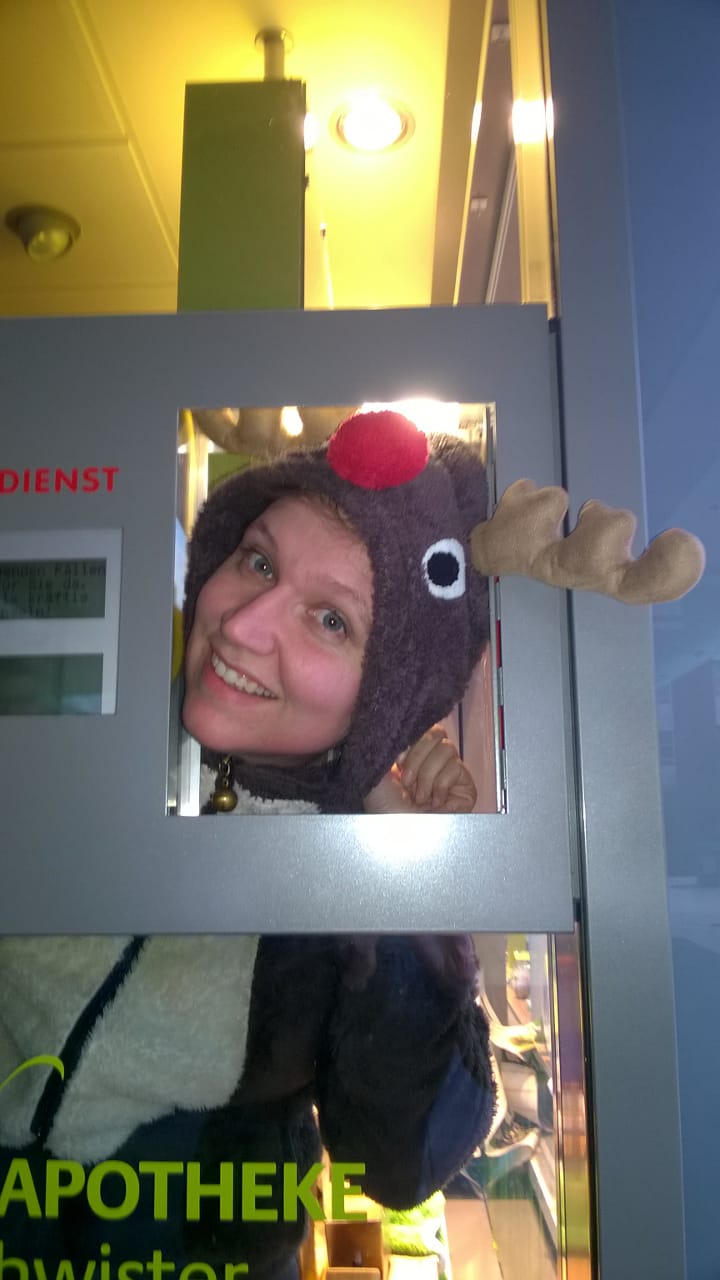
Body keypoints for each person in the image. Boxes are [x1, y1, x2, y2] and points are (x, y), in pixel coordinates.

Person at [0, 410, 496, 1271]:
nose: (242, 624)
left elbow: (403, 1159)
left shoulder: (346, 875)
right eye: (258, 561)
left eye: (330, 620)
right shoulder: (72, 729)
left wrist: (410, 880)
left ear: (382, 695)